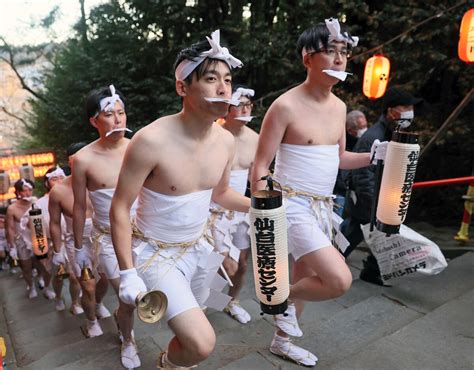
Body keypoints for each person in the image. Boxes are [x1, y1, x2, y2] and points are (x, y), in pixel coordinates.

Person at [110, 29, 250, 368]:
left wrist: (263, 204)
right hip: (156, 254)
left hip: (199, 248)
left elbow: (221, 194)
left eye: (228, 80)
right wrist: (128, 272)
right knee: (202, 343)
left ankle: (170, 364)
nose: (223, 88)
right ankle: (157, 357)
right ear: (182, 87)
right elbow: (119, 207)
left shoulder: (226, 141)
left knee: (194, 333)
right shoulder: (150, 141)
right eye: (211, 78)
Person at [251, 18, 387, 366]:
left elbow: (339, 157)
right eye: (330, 51)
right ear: (307, 58)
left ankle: (282, 340)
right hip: (289, 205)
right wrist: (265, 214)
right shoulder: (284, 106)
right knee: (338, 278)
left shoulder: (340, 107)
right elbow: (261, 164)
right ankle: (274, 296)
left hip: (324, 207)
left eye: (343, 52)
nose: (339, 59)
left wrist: (373, 156)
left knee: (307, 276)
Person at [72, 85, 139, 368]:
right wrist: (79, 248)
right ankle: (128, 339)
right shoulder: (83, 159)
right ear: (94, 121)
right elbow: (78, 206)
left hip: (145, 233)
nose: (118, 119)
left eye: (121, 112)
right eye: (110, 114)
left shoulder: (139, 146)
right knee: (127, 296)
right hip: (108, 239)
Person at [343, 87, 423, 284]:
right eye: (405, 107)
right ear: (390, 111)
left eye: (411, 107)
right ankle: (326, 267)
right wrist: (375, 207)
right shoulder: (374, 136)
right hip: (368, 202)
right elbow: (363, 176)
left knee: (371, 237)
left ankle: (370, 270)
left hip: (379, 201)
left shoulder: (392, 131)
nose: (409, 112)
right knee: (350, 238)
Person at [210, 85, 259, 324]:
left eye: (248, 104)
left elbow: (258, 176)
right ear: (227, 108)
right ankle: (208, 299)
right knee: (223, 264)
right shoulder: (213, 134)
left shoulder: (255, 138)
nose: (245, 108)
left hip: (241, 207)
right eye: (240, 104)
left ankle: (231, 301)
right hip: (214, 209)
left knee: (241, 264)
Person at [49, 143, 91, 314]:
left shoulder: (101, 180)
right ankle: (89, 317)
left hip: (102, 237)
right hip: (75, 241)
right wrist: (58, 251)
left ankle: (96, 303)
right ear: (70, 162)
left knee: (105, 280)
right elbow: (55, 223)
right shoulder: (59, 192)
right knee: (85, 283)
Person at [5, 179, 43, 298]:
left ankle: (42, 279)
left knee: (41, 263)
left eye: (29, 190)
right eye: (24, 191)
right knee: (26, 266)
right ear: (18, 193)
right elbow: (10, 228)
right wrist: (12, 246)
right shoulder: (12, 208)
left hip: (37, 237)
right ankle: (31, 286)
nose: (27, 193)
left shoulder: (37, 202)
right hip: (21, 240)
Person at [34, 166, 67, 301]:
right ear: (47, 183)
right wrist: (42, 251)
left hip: (72, 241)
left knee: (78, 277)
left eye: (62, 178)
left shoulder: (74, 195)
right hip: (52, 244)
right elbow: (38, 230)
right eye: (54, 179)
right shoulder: (39, 204)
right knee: (58, 276)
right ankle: (58, 297)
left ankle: (77, 302)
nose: (59, 181)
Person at [333, 109, 367, 216]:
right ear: (350, 129)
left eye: (365, 126)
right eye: (360, 128)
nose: (364, 130)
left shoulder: (364, 140)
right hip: (340, 190)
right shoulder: (341, 140)